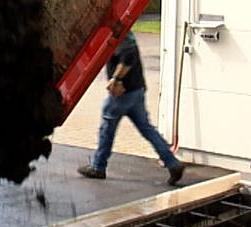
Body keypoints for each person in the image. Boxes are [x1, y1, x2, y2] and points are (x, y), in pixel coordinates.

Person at [78, 30, 185, 185]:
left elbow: (129, 56)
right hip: (136, 89)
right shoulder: (122, 30)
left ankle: (98, 167)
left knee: (107, 127)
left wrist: (116, 79)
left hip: (124, 92)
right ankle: (173, 164)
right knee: (146, 129)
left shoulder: (118, 32)